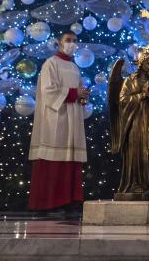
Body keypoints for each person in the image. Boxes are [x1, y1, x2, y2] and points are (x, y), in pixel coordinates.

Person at [28, 31, 88, 212]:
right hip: (56, 119)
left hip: (72, 117)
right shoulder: (50, 64)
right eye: (68, 40)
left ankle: (69, 201)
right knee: (53, 159)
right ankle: (49, 203)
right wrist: (73, 93)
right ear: (59, 43)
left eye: (75, 41)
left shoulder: (75, 67)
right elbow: (48, 92)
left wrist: (82, 95)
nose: (72, 44)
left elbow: (77, 90)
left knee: (70, 159)